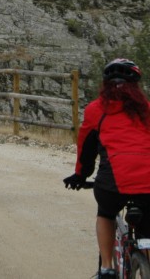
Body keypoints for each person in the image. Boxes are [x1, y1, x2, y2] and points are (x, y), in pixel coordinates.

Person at [63, 58, 150, 279]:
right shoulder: (147, 109)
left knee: (106, 212)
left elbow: (86, 147)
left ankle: (107, 268)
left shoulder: (96, 109)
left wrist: (80, 175)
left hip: (113, 183)